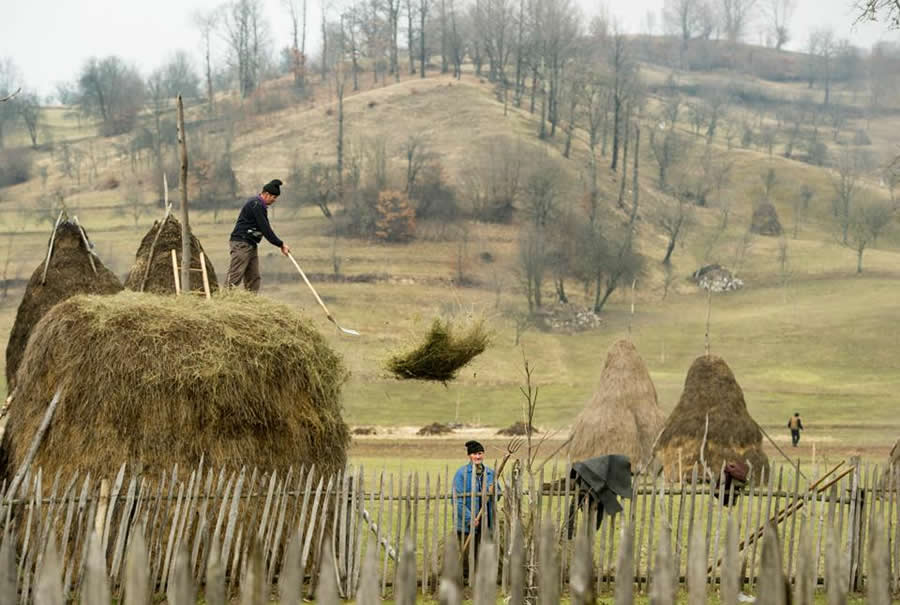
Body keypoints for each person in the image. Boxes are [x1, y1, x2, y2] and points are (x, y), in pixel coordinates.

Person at [226, 179, 291, 292]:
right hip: (241, 243)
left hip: (251, 243)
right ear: (266, 194)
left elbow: (264, 228)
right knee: (236, 274)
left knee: (253, 277)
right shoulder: (256, 204)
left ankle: (251, 302)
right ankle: (225, 298)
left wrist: (278, 242)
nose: (274, 200)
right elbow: (265, 229)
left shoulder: (259, 205)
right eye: (273, 197)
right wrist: (280, 244)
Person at [453, 440, 497, 575]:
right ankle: (465, 581)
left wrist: (494, 490)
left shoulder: (490, 473)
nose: (478, 457)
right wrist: (470, 518)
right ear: (469, 456)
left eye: (480, 453)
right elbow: (457, 501)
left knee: (483, 553)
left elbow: (498, 495)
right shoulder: (461, 474)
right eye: (474, 454)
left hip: (486, 521)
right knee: (467, 554)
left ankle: (481, 579)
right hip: (467, 523)